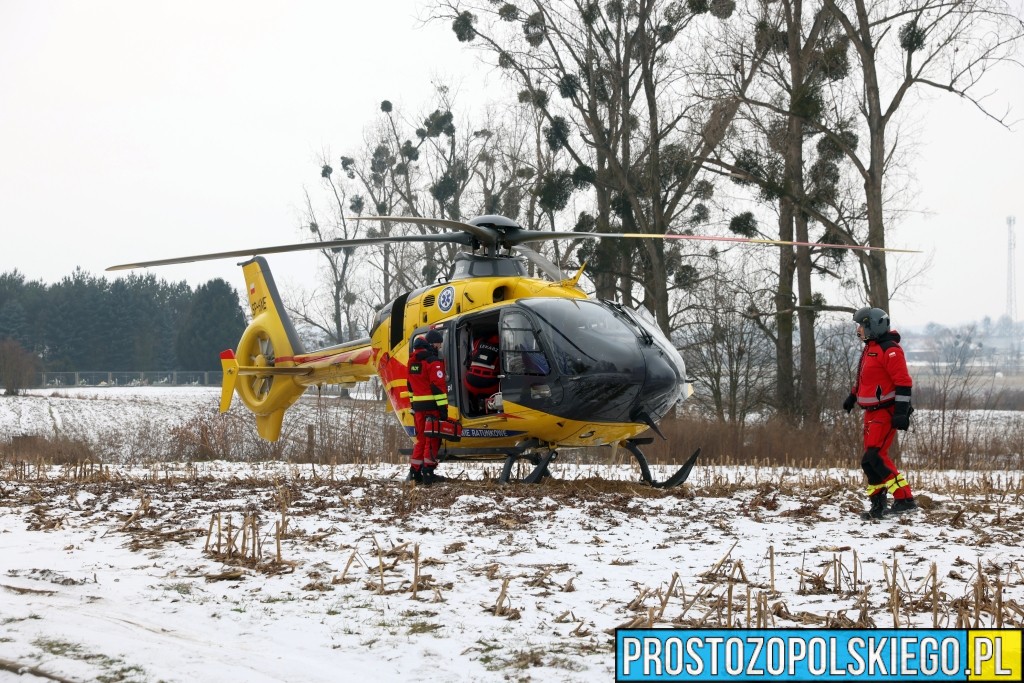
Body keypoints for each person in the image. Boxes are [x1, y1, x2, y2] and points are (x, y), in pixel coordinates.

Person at [843, 307, 917, 519]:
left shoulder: (890, 350)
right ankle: (878, 506)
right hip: (870, 413)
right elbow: (865, 378)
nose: (858, 330)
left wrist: (901, 413)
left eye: (861, 326)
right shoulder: (869, 348)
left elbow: (903, 383)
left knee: (876, 457)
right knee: (868, 461)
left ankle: (905, 499)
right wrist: (853, 395)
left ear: (873, 326)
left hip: (886, 412)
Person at [406, 329, 447, 485]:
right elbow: (439, 388)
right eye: (438, 344)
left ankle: (415, 472)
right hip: (432, 408)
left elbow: (409, 386)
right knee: (432, 440)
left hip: (418, 409)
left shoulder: (412, 362)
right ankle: (428, 473)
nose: (439, 347)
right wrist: (443, 410)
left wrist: (413, 405)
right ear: (432, 345)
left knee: (421, 440)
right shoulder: (432, 362)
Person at [463, 331, 500, 414]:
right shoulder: (502, 345)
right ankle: (492, 408)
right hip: (490, 385)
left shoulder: (478, 342)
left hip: (470, 383)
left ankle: (474, 404)